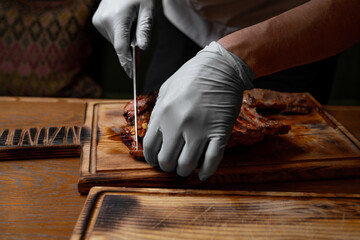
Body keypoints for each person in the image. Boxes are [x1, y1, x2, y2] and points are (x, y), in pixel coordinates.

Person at [92, 0, 360, 181]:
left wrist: (231, 61)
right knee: (162, 144)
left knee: (278, 173)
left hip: (293, 32)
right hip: (182, 21)